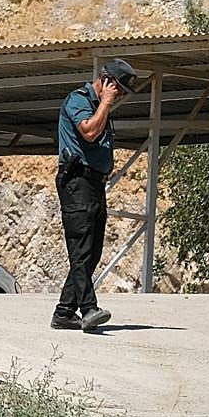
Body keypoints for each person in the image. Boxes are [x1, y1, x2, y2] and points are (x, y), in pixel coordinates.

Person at [51, 58, 138, 331]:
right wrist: (106, 103)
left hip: (94, 184)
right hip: (77, 182)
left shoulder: (101, 107)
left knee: (92, 251)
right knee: (80, 249)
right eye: (118, 88)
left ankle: (64, 312)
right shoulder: (79, 100)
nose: (120, 95)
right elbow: (88, 132)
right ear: (107, 81)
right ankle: (88, 309)